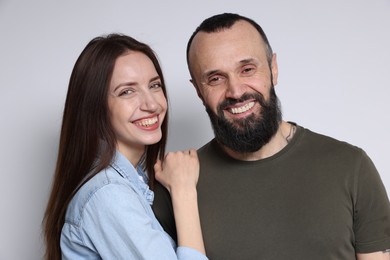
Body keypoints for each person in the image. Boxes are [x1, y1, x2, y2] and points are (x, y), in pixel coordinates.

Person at [152, 13, 390, 259]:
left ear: (273, 69)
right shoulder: (176, 186)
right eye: (215, 78)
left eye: (247, 69)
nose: (235, 91)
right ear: (198, 91)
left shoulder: (351, 167)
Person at [42, 34, 207, 260]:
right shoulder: (109, 194)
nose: (152, 104)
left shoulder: (128, 183)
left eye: (154, 85)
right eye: (127, 91)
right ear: (95, 107)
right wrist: (184, 191)